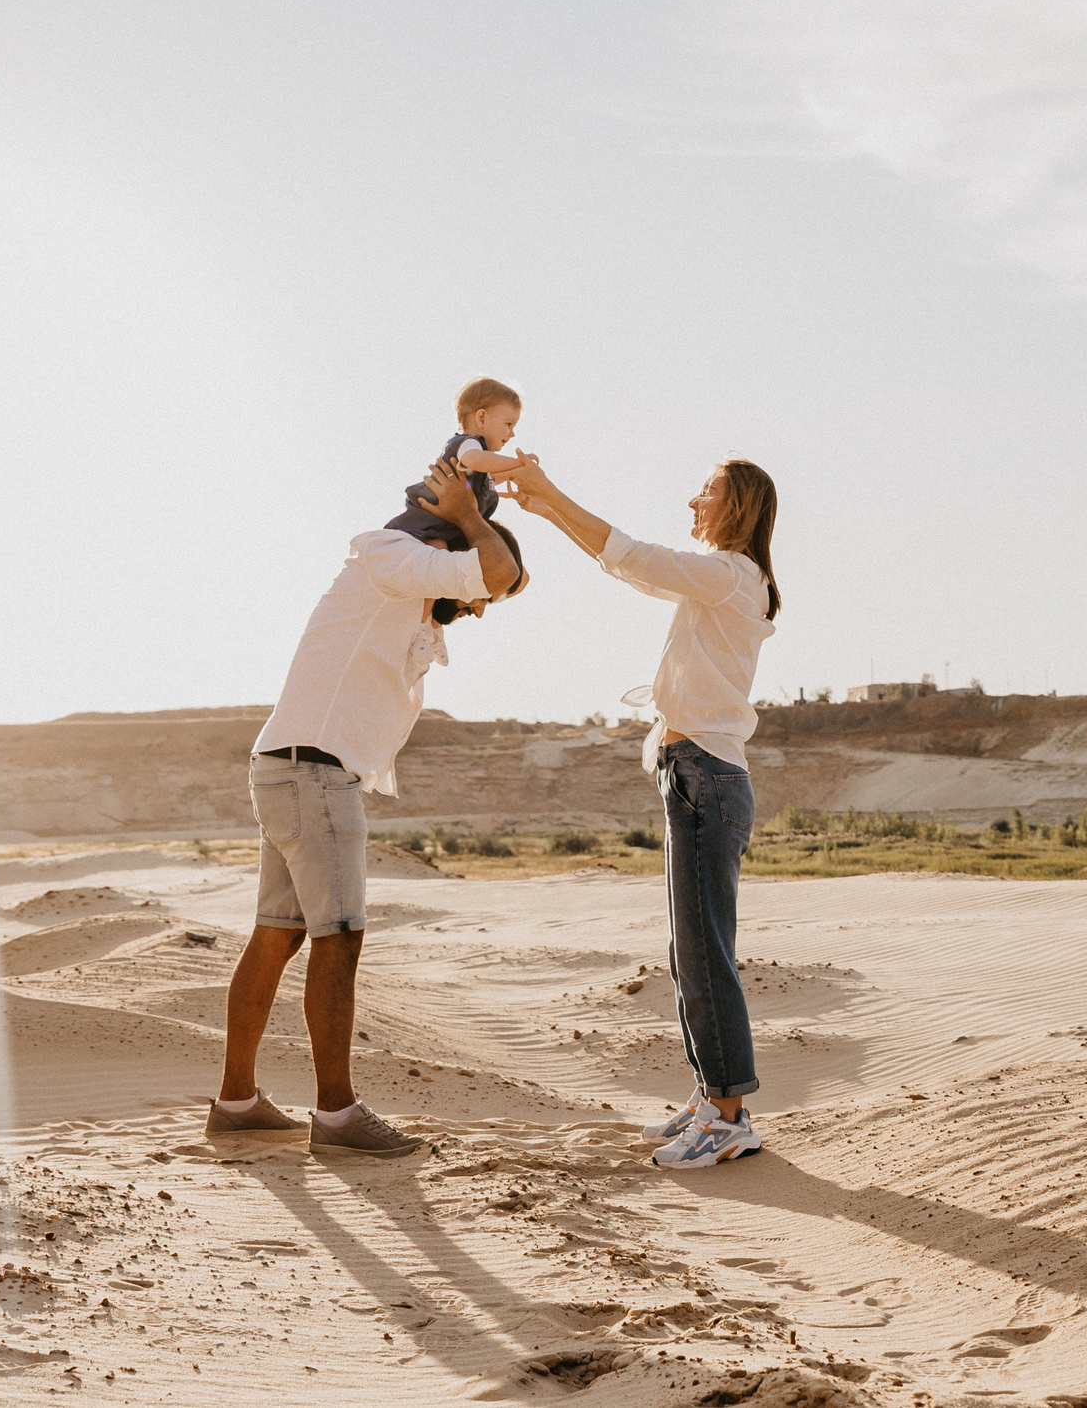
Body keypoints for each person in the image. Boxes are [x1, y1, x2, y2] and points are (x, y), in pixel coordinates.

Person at [209, 455, 526, 1158]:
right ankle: (338, 1116)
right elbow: (497, 572)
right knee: (339, 937)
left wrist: (479, 525)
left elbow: (508, 580)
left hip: (293, 767)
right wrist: (470, 511)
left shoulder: (405, 601)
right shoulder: (393, 555)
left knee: (278, 933)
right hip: (313, 775)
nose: (473, 603)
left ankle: (236, 1103)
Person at [505, 453, 780, 1170]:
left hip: (707, 779)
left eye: (708, 492)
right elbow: (627, 564)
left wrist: (553, 493)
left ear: (739, 506)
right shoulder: (722, 581)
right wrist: (545, 508)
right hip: (693, 775)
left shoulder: (729, 576)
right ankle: (710, 1095)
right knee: (688, 950)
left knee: (706, 954)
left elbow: (629, 556)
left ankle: (728, 1117)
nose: (694, 499)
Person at [384, 376, 529, 544]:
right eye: (508, 424)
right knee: (439, 556)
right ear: (481, 418)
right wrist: (519, 463)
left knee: (443, 554)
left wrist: (514, 476)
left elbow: (479, 481)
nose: (512, 433)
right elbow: (475, 460)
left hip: (440, 531)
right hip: (422, 527)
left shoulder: (481, 461)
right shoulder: (468, 443)